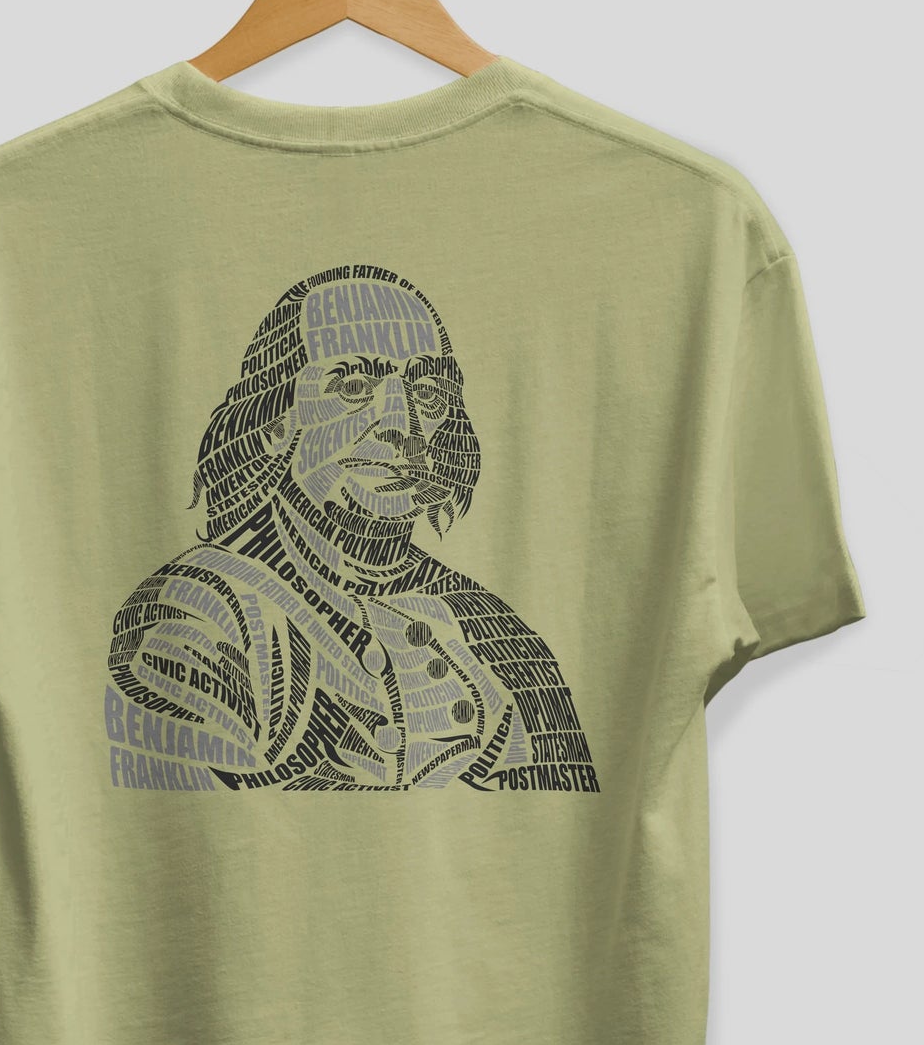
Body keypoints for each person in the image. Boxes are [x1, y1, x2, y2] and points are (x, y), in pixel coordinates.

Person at [105, 268, 599, 793]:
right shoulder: (199, 607)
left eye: (427, 393)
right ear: (276, 423)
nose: (404, 427)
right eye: (355, 387)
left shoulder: (494, 625)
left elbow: (562, 797)